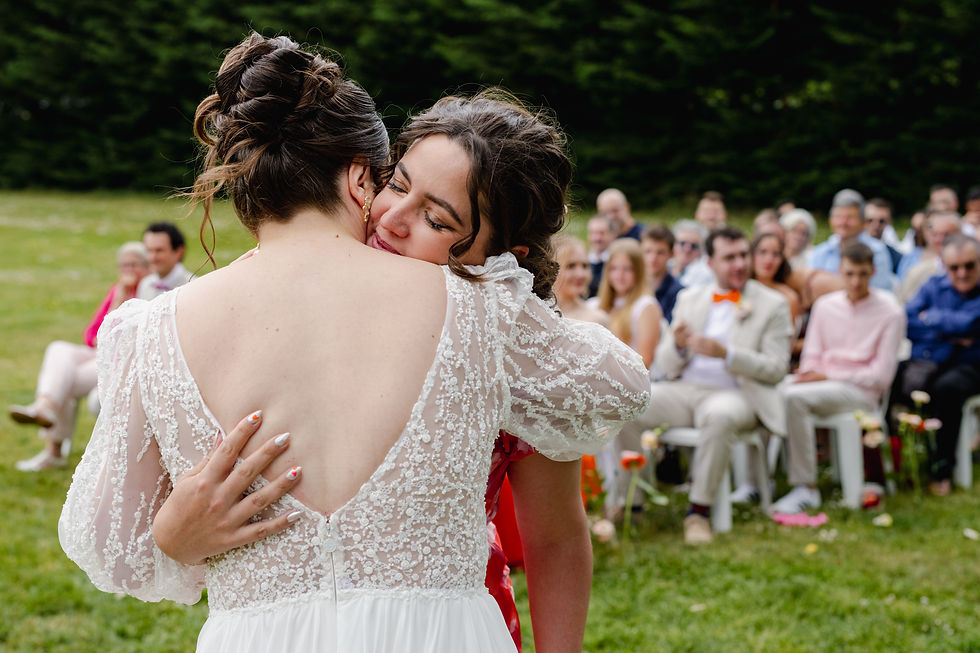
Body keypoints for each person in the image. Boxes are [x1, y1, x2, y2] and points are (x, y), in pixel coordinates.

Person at [59, 34, 650, 653]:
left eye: (439, 219)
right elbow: (621, 383)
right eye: (399, 184)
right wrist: (174, 534)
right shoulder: (487, 318)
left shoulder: (499, 328)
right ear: (364, 178)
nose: (394, 218)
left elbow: (107, 541)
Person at [626, 226, 794, 544]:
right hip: (686, 389)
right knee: (631, 403)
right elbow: (665, 363)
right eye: (729, 258)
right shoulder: (691, 298)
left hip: (739, 393)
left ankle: (699, 513)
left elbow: (776, 369)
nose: (740, 264)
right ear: (711, 264)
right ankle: (630, 505)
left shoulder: (773, 304)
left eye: (743, 255)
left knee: (719, 416)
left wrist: (728, 354)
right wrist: (675, 346)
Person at [772, 242, 905, 514]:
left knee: (794, 397)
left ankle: (805, 487)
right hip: (823, 385)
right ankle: (761, 479)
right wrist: (815, 375)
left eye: (863, 274)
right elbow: (811, 357)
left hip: (861, 394)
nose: (856, 281)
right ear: (839, 272)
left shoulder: (891, 312)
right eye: (850, 274)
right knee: (773, 389)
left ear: (873, 272)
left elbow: (881, 377)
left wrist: (828, 374)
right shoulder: (825, 306)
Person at [10, 242, 149, 471]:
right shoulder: (118, 290)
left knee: (64, 378)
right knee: (58, 350)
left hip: (119, 360)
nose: (128, 270)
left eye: (135, 265)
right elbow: (92, 334)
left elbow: (115, 339)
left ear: (146, 267)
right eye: (124, 265)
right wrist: (119, 297)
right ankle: (45, 404)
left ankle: (51, 439)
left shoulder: (149, 292)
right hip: (98, 352)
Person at [890, 233, 980, 496]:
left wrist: (931, 318)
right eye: (954, 267)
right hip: (928, 360)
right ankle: (890, 464)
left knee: (947, 389)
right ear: (944, 264)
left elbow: (972, 323)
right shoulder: (932, 286)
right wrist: (951, 330)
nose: (962, 273)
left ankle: (942, 469)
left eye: (969, 266)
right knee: (891, 376)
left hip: (970, 364)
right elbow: (906, 321)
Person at [807, 189, 896, 291]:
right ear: (830, 220)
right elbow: (809, 289)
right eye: (838, 216)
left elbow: (879, 291)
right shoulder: (820, 252)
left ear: (863, 222)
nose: (843, 222)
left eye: (850, 217)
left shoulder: (877, 251)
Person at [897, 211, 962, 303]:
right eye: (935, 234)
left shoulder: (974, 269)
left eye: (947, 234)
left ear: (961, 235)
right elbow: (905, 307)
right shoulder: (916, 273)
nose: (940, 240)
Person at [553, 233, 609, 325]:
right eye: (571, 266)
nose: (580, 274)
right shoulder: (536, 313)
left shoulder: (598, 319)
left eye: (585, 266)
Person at [750, 232, 802, 326]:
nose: (769, 260)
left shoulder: (789, 298)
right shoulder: (738, 288)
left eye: (776, 254)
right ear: (752, 255)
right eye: (763, 252)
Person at [136, 222, 193, 299]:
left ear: (179, 252)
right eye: (149, 250)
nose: (153, 257)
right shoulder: (145, 284)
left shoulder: (193, 286)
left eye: (159, 250)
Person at [641, 224, 683, 323]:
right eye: (648, 251)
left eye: (660, 253)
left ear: (671, 254)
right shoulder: (631, 285)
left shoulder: (679, 293)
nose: (653, 258)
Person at [864, 198, 903, 273]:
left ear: (889, 222)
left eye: (881, 221)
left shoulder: (895, 258)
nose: (875, 225)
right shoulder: (845, 248)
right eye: (870, 220)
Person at [672, 219, 714, 288]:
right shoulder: (667, 264)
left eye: (694, 246)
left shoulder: (705, 273)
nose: (687, 249)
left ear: (701, 251)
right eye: (682, 243)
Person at [586, 213, 615, 297]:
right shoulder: (583, 261)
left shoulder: (616, 262)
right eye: (593, 233)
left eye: (602, 233)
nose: (597, 238)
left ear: (612, 234)